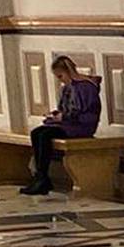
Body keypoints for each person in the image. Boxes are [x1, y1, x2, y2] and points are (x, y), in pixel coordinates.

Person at [20, 53, 102, 195]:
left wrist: (62, 117)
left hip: (81, 126)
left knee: (45, 135)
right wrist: (55, 115)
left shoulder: (86, 87)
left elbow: (84, 112)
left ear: (68, 73)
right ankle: (41, 176)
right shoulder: (68, 88)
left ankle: (43, 178)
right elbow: (65, 108)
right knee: (37, 132)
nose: (61, 81)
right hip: (68, 124)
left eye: (60, 77)